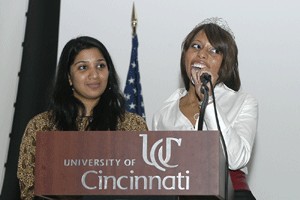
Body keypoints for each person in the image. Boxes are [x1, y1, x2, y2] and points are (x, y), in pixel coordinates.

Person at [17, 36, 148, 200]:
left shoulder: (131, 126)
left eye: (100, 65)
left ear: (109, 72)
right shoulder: (42, 126)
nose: (94, 74)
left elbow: (142, 186)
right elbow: (28, 191)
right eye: (83, 67)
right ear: (69, 77)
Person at [152, 17, 258, 200]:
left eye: (214, 50)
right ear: (185, 55)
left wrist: (208, 103)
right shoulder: (164, 113)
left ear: (225, 63)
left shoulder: (243, 102)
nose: (202, 55)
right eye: (196, 46)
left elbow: (237, 159)